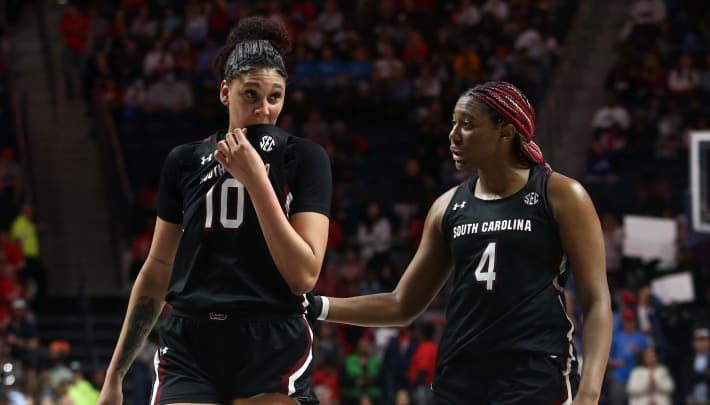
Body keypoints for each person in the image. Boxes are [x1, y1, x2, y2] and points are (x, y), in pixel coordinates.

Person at [308, 81, 613, 404]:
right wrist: (316, 306)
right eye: (454, 123)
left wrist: (589, 394)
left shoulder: (562, 195)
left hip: (535, 374)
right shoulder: (447, 207)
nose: (453, 135)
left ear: (505, 132)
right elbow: (402, 304)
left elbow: (597, 301)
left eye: (466, 125)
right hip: (459, 379)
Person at [98, 16, 332, 405]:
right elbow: (157, 270)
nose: (264, 109)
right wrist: (114, 376)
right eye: (251, 95)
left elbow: (303, 275)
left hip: (271, 338)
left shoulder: (304, 159)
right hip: (192, 341)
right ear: (225, 92)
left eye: (275, 96)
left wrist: (256, 178)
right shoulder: (185, 161)